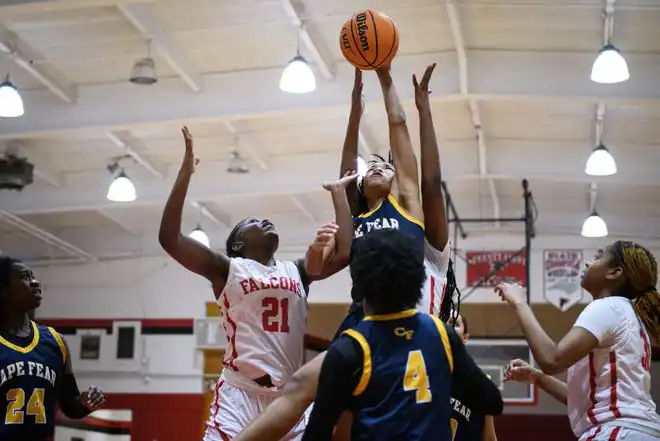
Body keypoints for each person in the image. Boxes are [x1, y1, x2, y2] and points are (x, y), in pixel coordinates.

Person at [234, 63, 460, 441]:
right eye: (369, 166)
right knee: (304, 390)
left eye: (385, 166)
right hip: (362, 323)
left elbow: (416, 160)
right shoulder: (354, 222)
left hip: (410, 328)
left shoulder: (409, 209)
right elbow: (344, 169)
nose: (376, 167)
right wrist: (354, 111)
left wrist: (390, 80)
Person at [158, 126, 356, 441]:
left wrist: (338, 197)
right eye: (251, 223)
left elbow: (346, 253)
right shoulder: (228, 269)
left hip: (288, 396)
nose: (264, 221)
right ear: (237, 244)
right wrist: (184, 176)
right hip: (240, 392)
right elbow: (170, 239)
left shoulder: (298, 271)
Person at [301, 230, 503, 441]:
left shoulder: (349, 348)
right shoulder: (443, 334)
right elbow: (492, 402)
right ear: (417, 281)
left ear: (360, 285)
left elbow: (318, 431)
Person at [497, 240, 660, 441]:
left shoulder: (609, 307)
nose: (588, 263)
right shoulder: (628, 315)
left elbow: (551, 359)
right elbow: (584, 400)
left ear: (614, 272)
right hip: (638, 430)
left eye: (598, 257)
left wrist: (519, 302)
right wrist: (537, 377)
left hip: (619, 430)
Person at [0, 256, 105, 441]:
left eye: (34, 276)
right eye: (25, 277)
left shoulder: (55, 342)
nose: (35, 282)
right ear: (4, 289)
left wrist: (86, 402)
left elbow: (70, 406)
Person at [448, 313, 498, 441]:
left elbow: (489, 437)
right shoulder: (428, 374)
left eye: (455, 323)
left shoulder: (480, 383)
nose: (449, 327)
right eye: (446, 322)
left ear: (465, 337)